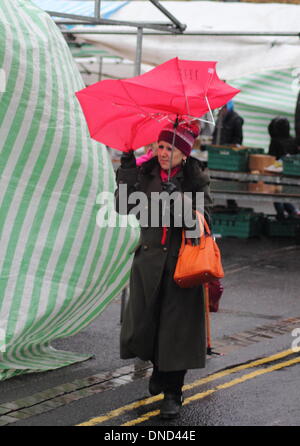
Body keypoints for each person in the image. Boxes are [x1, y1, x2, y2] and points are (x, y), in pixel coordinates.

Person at [115, 121, 212, 419]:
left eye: (171, 148)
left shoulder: (196, 179)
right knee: (146, 327)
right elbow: (123, 207)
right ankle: (158, 368)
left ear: (184, 154)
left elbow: (201, 221)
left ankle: (173, 393)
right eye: (161, 146)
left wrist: (180, 198)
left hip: (181, 266)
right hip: (148, 265)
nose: (164, 153)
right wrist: (127, 167)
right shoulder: (145, 174)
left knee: (176, 333)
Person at [268, 117, 299, 219]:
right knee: (284, 194)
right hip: (290, 173)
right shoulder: (292, 140)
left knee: (277, 194)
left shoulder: (275, 141)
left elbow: (271, 157)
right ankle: (293, 211)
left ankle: (282, 214)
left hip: (277, 173)